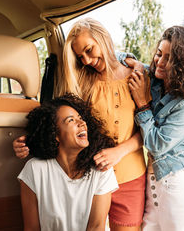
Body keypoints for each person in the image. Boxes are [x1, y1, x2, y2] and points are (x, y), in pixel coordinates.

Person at [14, 18, 148, 230]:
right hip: (90, 176)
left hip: (130, 176)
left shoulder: (138, 76)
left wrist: (119, 152)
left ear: (102, 38)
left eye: (89, 50)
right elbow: (59, 126)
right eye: (80, 56)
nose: (86, 60)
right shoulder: (82, 83)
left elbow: (148, 129)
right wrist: (29, 143)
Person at [127, 26, 184, 231]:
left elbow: (156, 144)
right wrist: (134, 62)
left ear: (183, 65)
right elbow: (119, 57)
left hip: (176, 187)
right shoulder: (155, 81)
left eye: (169, 58)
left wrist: (142, 104)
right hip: (152, 183)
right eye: (158, 54)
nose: (160, 62)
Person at [18, 94, 118, 231]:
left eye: (81, 118)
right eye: (71, 120)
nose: (82, 123)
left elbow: (96, 227)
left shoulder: (101, 169)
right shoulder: (35, 170)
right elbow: (31, 228)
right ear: (55, 134)